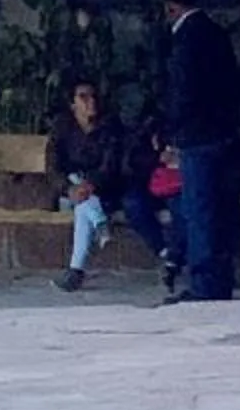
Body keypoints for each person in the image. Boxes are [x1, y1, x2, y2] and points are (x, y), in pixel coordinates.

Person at [155, 0, 240, 303]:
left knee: (200, 211)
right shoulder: (216, 33)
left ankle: (205, 286)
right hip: (223, 133)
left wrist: (170, 133)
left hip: (196, 138)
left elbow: (182, 92)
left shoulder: (186, 40)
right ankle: (219, 281)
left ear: (170, 7)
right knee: (217, 210)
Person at [44, 78, 167, 292]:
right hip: (71, 191)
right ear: (73, 105)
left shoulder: (109, 127)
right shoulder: (62, 128)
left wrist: (91, 184)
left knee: (85, 205)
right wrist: (68, 188)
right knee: (82, 200)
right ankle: (100, 225)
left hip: (104, 190)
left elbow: (112, 164)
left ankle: (76, 271)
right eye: (83, 97)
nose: (90, 102)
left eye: (93, 96)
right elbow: (53, 167)